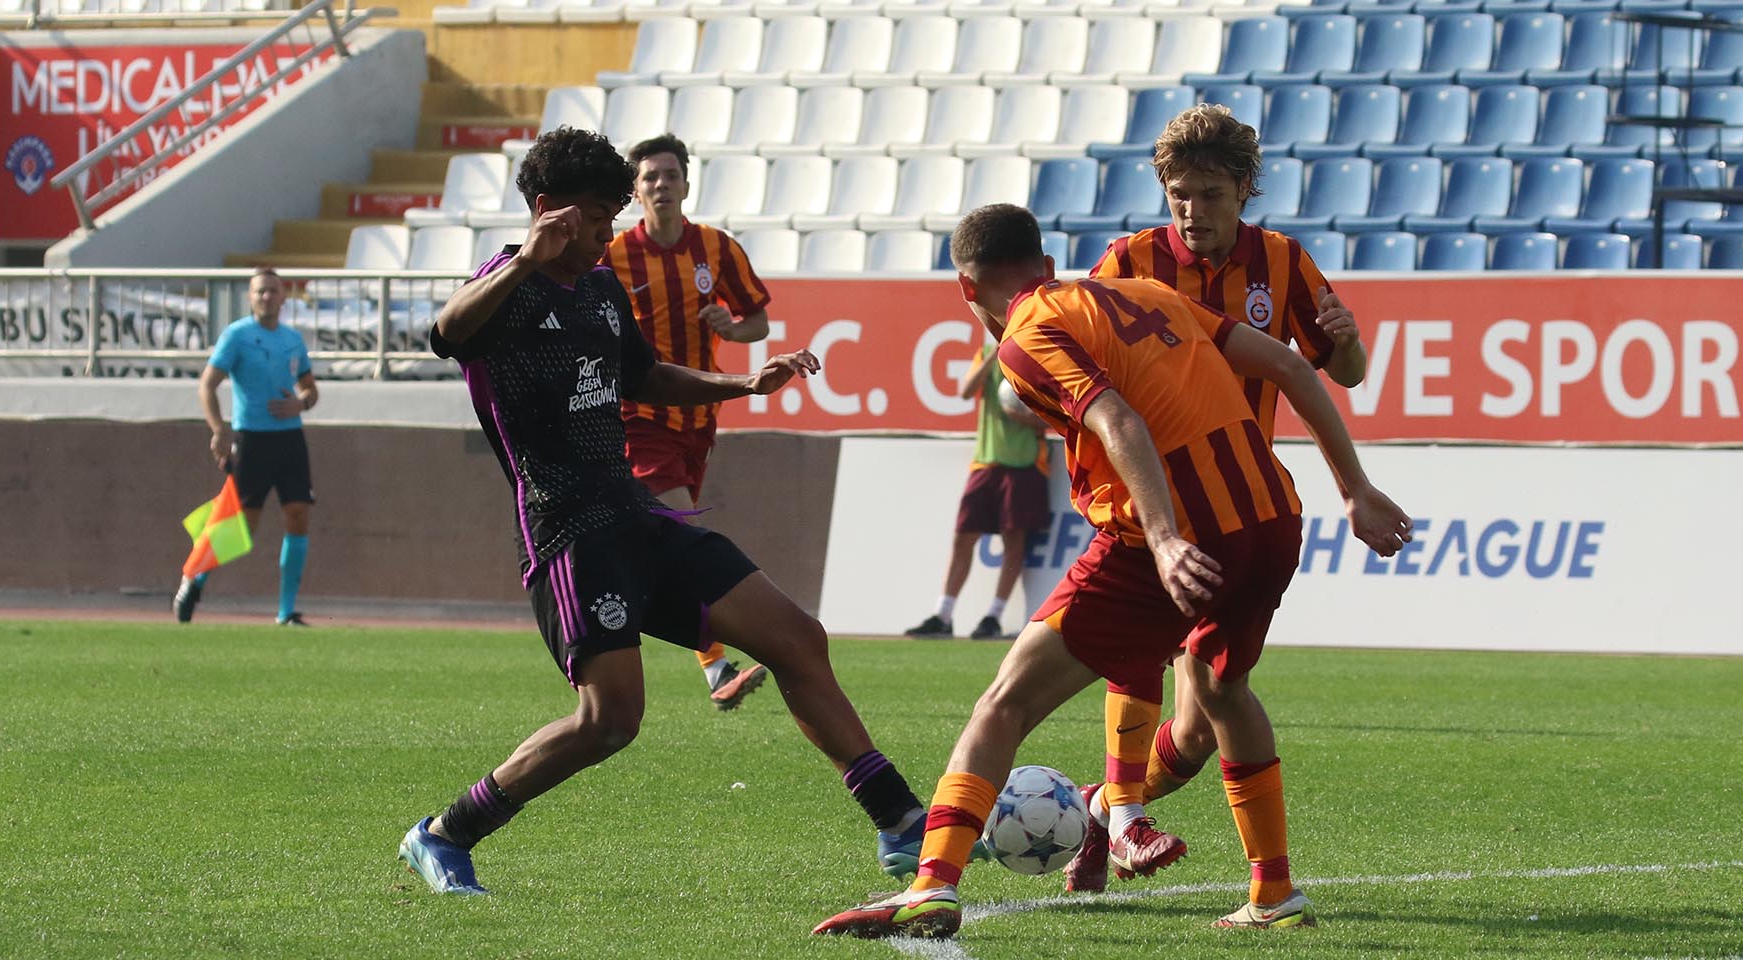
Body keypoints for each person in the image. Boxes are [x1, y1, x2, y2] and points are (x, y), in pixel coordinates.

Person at [813, 203, 1412, 939]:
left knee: (1004, 703)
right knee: (1222, 689)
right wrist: (1354, 488)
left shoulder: (1029, 333)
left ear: (968, 292)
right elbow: (1289, 364)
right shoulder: (1148, 295)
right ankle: (1272, 893)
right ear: (1047, 264)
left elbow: (1118, 420)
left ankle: (932, 883)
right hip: (1270, 521)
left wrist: (1161, 540)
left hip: (1169, 537)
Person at [397, 127, 936, 896]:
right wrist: (522, 257)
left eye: (614, 217)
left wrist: (742, 386)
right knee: (610, 722)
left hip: (635, 513)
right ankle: (445, 833)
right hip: (570, 535)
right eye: (595, 218)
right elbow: (446, 332)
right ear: (548, 212)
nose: (607, 234)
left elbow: (642, 375)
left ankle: (897, 821)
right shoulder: (506, 287)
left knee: (796, 637)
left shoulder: (598, 284)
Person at [1066, 103, 1373, 895]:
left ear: (1243, 189)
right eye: (1178, 193)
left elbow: (1337, 374)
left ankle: (1102, 809)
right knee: (1141, 650)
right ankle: (1145, 825)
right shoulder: (1127, 261)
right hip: (1157, 502)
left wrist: (1345, 340)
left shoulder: (1282, 262)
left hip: (1240, 507)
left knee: (1199, 729)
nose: (1192, 211)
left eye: (1208, 193)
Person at [603, 133, 774, 711]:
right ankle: (721, 661)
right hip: (638, 415)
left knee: (662, 549)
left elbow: (757, 323)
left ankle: (708, 662)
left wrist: (730, 328)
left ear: (686, 183)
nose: (661, 185)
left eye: (670, 175)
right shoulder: (615, 254)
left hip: (698, 416)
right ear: (636, 189)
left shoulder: (716, 250)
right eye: (650, 177)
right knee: (681, 530)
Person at [173, 267, 319, 627]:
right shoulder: (237, 336)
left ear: (284, 297)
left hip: (290, 440)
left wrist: (301, 403)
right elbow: (208, 385)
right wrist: (219, 428)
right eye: (260, 292)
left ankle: (285, 612)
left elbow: (311, 390)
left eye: (272, 291)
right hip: (253, 439)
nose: (266, 297)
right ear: (251, 298)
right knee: (243, 527)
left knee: (298, 516)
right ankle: (195, 579)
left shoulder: (292, 340)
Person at [902, 341, 1051, 640]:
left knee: (1014, 540)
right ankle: (943, 615)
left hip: (1025, 461)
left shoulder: (1038, 355)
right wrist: (994, 356)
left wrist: (1031, 419)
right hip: (985, 461)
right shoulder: (987, 353)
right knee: (963, 537)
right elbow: (966, 391)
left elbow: (1054, 413)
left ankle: (993, 616)